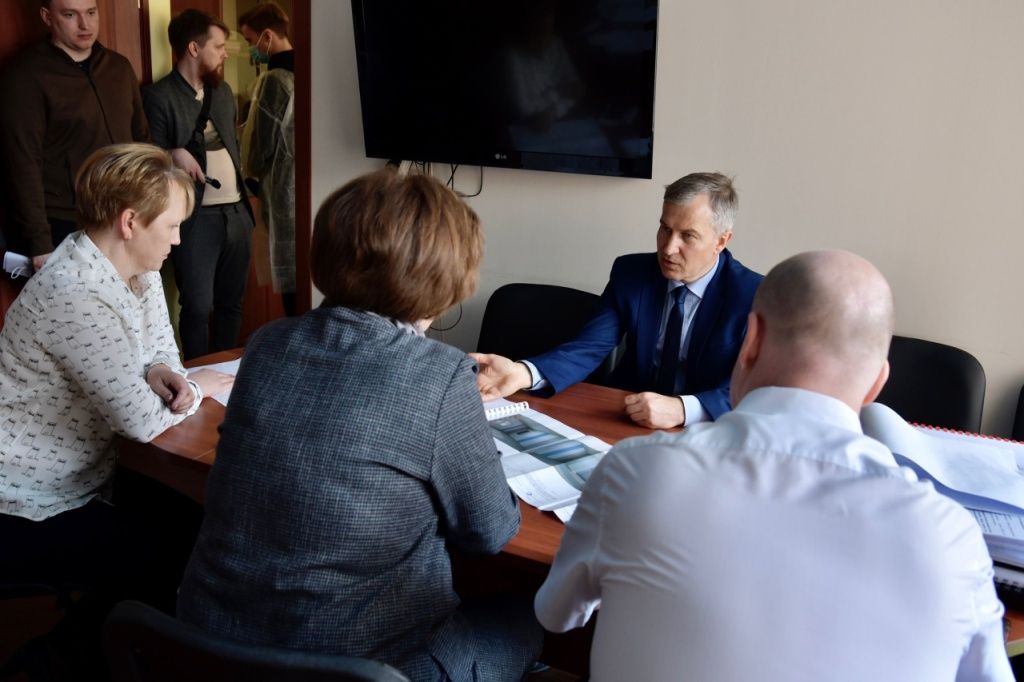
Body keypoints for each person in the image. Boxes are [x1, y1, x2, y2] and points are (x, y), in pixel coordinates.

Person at [534, 250, 1013, 681]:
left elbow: (556, 614)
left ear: (751, 341)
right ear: (876, 384)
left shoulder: (635, 472)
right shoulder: (952, 540)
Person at [177, 169, 543, 681]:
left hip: (209, 652)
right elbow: (490, 531)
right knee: (533, 617)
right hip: (363, 668)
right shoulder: (438, 375)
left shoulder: (267, 343)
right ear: (446, 279)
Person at [0, 143, 233, 676]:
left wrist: (160, 372)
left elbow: (165, 354)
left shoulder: (135, 268)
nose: (178, 239)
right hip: (25, 499)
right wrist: (194, 390)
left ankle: (112, 647)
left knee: (202, 525)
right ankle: (56, 661)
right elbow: (141, 420)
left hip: (86, 475)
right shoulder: (72, 291)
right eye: (172, 226)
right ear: (130, 222)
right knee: (169, 551)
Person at [471, 172, 763, 430]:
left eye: (687, 236)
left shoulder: (753, 295)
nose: (668, 248)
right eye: (665, 228)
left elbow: (756, 389)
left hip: (707, 432)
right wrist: (522, 373)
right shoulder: (631, 273)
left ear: (721, 241)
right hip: (626, 415)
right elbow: (589, 347)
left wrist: (683, 409)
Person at [0, 0, 149, 273]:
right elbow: (22, 163)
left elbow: (142, 141)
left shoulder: (118, 67)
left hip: (126, 215)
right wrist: (39, 242)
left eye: (91, 13)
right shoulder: (26, 74)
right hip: (66, 224)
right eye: (70, 15)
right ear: (47, 17)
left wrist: (150, 207)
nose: (85, 24)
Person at [143, 9, 254, 359]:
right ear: (194, 48)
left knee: (231, 303)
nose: (224, 54)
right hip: (195, 220)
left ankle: (226, 373)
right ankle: (194, 375)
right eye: (218, 46)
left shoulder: (223, 93)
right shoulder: (158, 96)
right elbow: (147, 159)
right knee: (197, 306)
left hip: (237, 214)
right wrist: (173, 152)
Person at [238, 1, 296, 316]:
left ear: (268, 36)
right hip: (304, 188)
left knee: (292, 286)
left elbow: (261, 145)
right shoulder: (307, 71)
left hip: (283, 190)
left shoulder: (275, 80)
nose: (252, 48)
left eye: (251, 40)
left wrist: (250, 172)